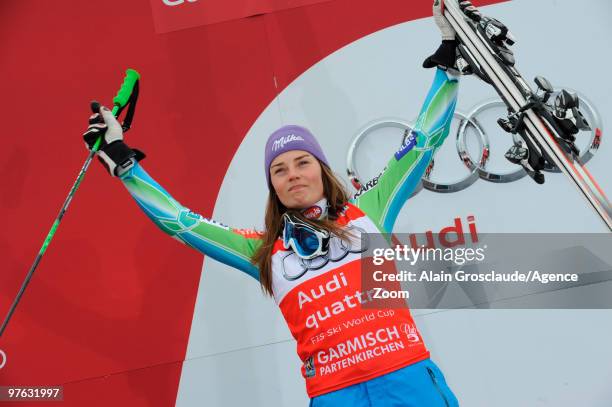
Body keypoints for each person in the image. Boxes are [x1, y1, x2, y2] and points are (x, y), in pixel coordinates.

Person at [83, 1, 477, 405]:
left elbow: (422, 141)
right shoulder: (264, 249)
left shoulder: (369, 211)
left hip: (406, 380)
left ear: (322, 171)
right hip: (334, 395)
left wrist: (448, 65)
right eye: (280, 170)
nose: (293, 174)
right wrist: (125, 164)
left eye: (303, 162)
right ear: (273, 188)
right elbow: (182, 223)